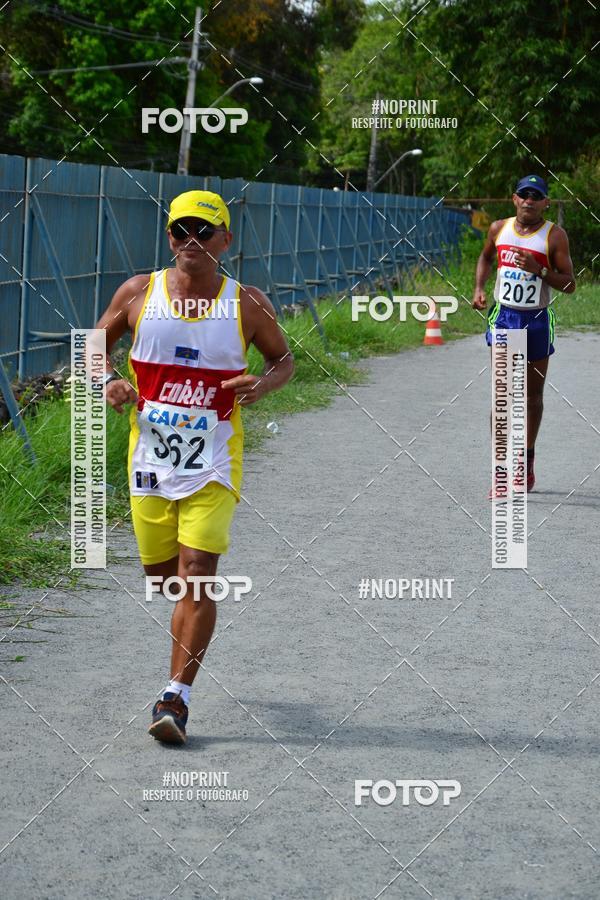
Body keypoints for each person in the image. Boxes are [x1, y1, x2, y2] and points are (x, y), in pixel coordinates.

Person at [95, 190, 294, 744]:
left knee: (197, 575)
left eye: (203, 233)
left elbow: (283, 359)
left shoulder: (247, 303)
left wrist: (264, 382)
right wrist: (108, 379)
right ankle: (181, 652)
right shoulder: (139, 293)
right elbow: (93, 344)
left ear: (225, 242)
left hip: (213, 460)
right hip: (151, 461)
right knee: (165, 582)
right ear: (169, 238)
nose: (190, 241)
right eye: (180, 230)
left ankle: (175, 698)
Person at [472, 175, 575, 493]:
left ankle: (526, 463)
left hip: (537, 321)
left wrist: (540, 270)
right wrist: (478, 288)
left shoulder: (554, 237)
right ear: (514, 198)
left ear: (545, 202)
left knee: (532, 397)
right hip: (505, 318)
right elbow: (486, 257)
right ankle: (501, 471)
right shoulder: (498, 229)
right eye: (523, 194)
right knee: (503, 397)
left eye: (537, 196)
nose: (529, 200)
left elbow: (570, 284)